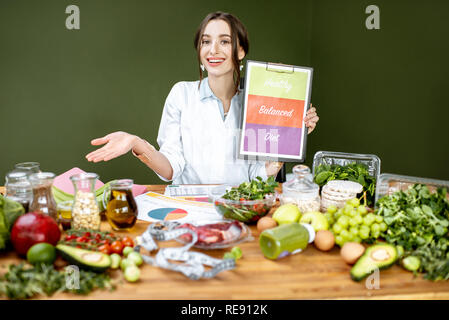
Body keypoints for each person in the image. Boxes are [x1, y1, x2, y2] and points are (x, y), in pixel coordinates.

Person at [85, 11, 319, 185]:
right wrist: (136, 143)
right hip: (189, 209)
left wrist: (291, 136)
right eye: (206, 41)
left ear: (240, 52)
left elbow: (256, 173)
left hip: (238, 209)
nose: (213, 50)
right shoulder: (182, 94)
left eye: (224, 41)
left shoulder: (256, 103)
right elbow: (170, 169)